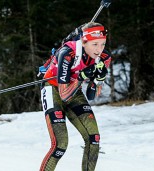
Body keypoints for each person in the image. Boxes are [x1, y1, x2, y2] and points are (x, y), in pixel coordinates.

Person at [39, 22, 111, 171]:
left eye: (103, 44)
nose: (99, 50)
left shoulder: (104, 57)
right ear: (84, 42)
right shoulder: (67, 53)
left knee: (94, 139)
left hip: (73, 88)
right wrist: (82, 76)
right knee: (60, 144)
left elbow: (91, 95)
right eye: (95, 44)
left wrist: (98, 80)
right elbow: (64, 95)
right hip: (53, 87)